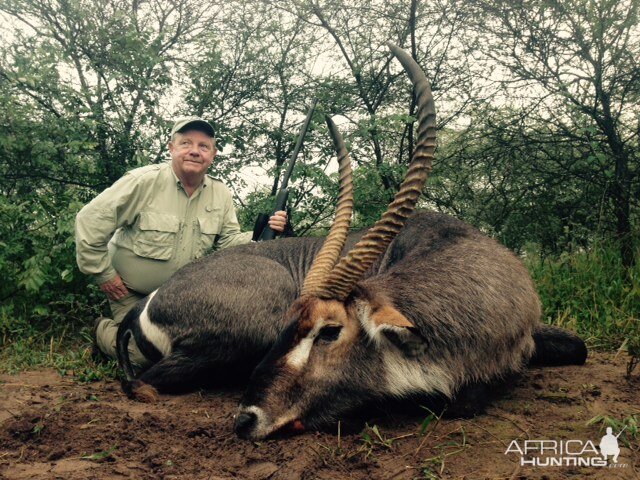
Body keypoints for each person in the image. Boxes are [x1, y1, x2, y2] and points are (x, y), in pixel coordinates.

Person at [75, 117, 287, 365]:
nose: (195, 151)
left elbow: (227, 242)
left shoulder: (220, 193)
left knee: (198, 354)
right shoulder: (143, 181)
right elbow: (89, 221)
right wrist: (104, 275)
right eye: (186, 143)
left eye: (203, 146)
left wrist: (262, 235)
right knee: (143, 357)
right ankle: (101, 330)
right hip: (132, 294)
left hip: (183, 300)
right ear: (171, 148)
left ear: (213, 154)